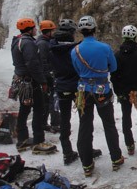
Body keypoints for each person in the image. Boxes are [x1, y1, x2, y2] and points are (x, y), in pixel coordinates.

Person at [71, 15, 124, 177]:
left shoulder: (75, 50)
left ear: (81, 31)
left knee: (85, 126)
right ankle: (116, 158)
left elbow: (77, 70)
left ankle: (87, 164)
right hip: (102, 89)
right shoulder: (105, 48)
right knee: (109, 124)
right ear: (94, 29)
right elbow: (113, 68)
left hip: (83, 91)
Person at [49, 18, 102, 165]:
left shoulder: (51, 47)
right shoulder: (75, 49)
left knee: (64, 121)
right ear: (71, 33)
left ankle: (67, 153)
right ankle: (87, 150)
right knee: (85, 120)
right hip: (77, 87)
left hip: (60, 87)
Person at [11, 18, 57, 154]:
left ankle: (22, 139)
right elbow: (33, 64)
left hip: (21, 80)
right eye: (34, 28)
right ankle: (38, 141)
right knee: (39, 109)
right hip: (31, 82)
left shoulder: (16, 41)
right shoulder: (28, 43)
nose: (36, 30)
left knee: (24, 109)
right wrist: (42, 81)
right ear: (29, 29)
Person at [111, 25, 137, 156]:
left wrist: (118, 91)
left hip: (124, 92)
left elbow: (114, 76)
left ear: (123, 37)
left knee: (126, 118)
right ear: (135, 37)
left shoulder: (117, 55)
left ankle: (129, 145)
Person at [36, 20, 61, 134]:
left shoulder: (45, 42)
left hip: (47, 75)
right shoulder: (43, 44)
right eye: (52, 30)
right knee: (52, 100)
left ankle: (44, 123)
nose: (54, 32)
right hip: (48, 76)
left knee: (47, 101)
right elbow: (43, 61)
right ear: (48, 31)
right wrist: (49, 75)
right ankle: (54, 124)